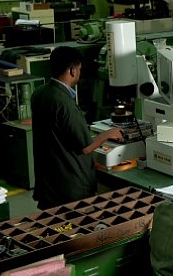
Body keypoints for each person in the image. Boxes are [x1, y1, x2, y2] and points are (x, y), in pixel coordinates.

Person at [31, 46, 123, 210]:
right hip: (70, 188)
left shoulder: (40, 93)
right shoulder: (65, 104)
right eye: (79, 69)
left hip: (49, 184)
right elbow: (86, 147)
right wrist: (109, 134)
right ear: (72, 70)